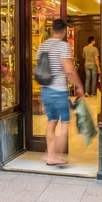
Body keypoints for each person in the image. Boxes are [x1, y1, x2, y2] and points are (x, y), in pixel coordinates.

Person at [36, 19, 84, 166]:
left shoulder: (42, 46)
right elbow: (69, 69)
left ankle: (51, 155)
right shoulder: (63, 46)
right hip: (59, 91)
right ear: (64, 31)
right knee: (65, 124)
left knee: (51, 122)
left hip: (46, 91)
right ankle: (54, 155)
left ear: (52, 30)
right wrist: (79, 86)